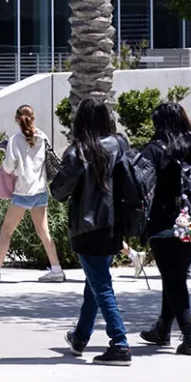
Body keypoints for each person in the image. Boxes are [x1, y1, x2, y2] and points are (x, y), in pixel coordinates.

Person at [50, 100, 133, 365]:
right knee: (94, 282)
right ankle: (80, 337)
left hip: (87, 227)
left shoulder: (78, 152)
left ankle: (119, 343)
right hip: (115, 225)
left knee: (101, 284)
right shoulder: (120, 144)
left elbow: (58, 192)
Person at [137, 102, 191, 356]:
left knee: (174, 280)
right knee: (174, 277)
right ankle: (162, 329)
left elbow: (140, 185)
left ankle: (189, 336)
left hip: (164, 224)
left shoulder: (154, 149)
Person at [0, 103, 68, 283]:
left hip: (23, 192)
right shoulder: (42, 137)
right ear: (33, 119)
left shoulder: (15, 140)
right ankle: (56, 269)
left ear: (17, 119)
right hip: (40, 190)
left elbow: (9, 167)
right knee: (44, 232)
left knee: (6, 231)